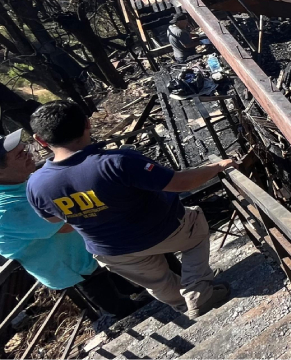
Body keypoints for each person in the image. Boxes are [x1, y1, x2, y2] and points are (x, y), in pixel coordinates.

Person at [25, 101, 236, 319]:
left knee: (156, 281)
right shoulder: (117, 161)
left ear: (40, 140)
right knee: (196, 224)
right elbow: (180, 183)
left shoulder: (36, 185)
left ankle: (183, 304)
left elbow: (55, 221)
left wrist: (91, 213)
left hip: (112, 251)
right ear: (87, 124)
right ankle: (197, 291)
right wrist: (218, 166)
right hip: (164, 230)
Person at [0, 130, 145, 319]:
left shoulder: (19, 182)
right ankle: (126, 313)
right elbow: (67, 224)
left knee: (127, 283)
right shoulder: (8, 209)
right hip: (69, 263)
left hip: (87, 250)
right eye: (20, 155)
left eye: (24, 149)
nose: (28, 154)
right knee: (115, 300)